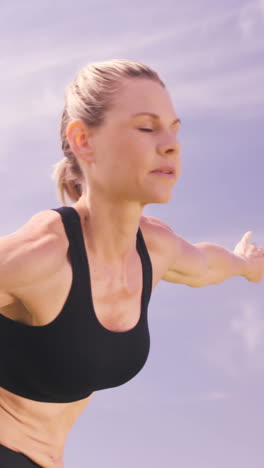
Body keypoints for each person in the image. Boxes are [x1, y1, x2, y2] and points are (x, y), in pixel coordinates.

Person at [0, 58, 263, 468]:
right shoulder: (40, 256)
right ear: (83, 140)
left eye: (175, 129)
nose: (171, 143)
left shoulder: (156, 249)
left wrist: (246, 264)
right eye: (146, 127)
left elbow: (208, 266)